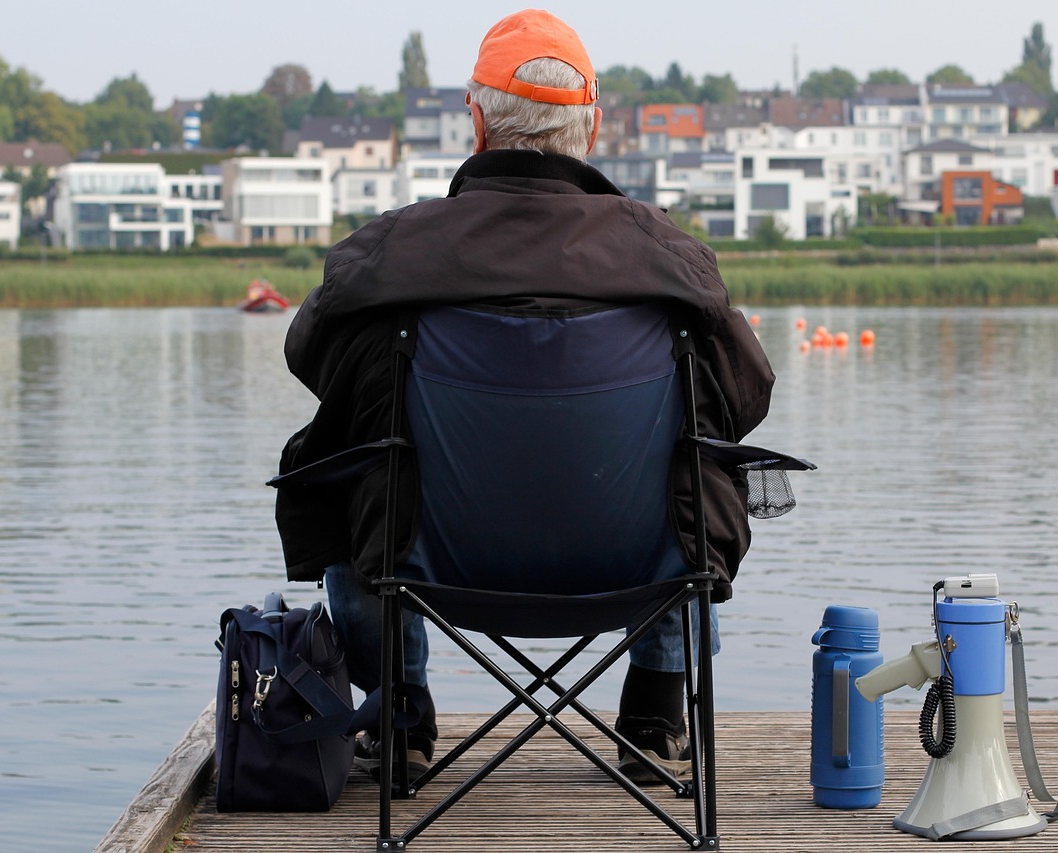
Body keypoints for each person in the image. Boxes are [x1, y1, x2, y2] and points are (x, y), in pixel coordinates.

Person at [273, 8, 774, 784]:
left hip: (429, 558)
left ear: (476, 122)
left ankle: (403, 717)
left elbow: (306, 356)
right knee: (702, 456)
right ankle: (655, 708)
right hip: (638, 561)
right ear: (593, 129)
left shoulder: (388, 254)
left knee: (337, 462)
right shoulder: (673, 261)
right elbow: (749, 395)